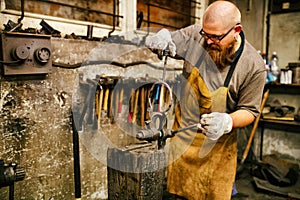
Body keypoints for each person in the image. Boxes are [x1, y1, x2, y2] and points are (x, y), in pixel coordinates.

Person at [145, 1, 267, 199]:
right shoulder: (197, 34)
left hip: (217, 147)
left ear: (236, 30)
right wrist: (161, 38)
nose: (208, 41)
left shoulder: (253, 65)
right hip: (183, 140)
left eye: (216, 37)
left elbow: (250, 111)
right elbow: (170, 43)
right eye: (206, 34)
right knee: (178, 194)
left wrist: (228, 121)